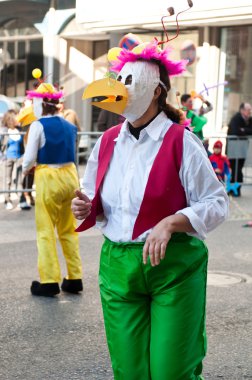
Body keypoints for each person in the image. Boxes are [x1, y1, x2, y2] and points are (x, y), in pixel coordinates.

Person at [71, 40, 229, 379]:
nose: (121, 89)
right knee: (128, 371)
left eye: (130, 81)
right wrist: (85, 206)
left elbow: (216, 203)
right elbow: (92, 194)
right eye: (119, 81)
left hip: (173, 267)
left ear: (157, 91)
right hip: (118, 267)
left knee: (171, 370)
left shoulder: (181, 141)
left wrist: (173, 221)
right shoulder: (108, 139)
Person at [22, 79, 83, 297]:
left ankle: (49, 281)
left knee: (45, 230)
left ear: (40, 104)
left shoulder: (38, 125)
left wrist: (24, 170)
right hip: (70, 176)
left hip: (49, 177)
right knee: (69, 229)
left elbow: (29, 158)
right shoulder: (69, 125)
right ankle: (74, 277)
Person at [1, 110, 29, 210]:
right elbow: (1, 145)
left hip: (19, 158)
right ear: (10, 119)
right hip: (8, 158)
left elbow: (24, 145)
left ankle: (22, 200)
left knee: (20, 180)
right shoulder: (4, 131)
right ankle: (7, 200)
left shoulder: (20, 130)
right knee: (7, 180)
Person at [226, 102, 252, 195]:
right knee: (235, 169)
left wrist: (243, 130)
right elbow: (235, 130)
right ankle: (234, 189)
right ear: (242, 110)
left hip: (242, 148)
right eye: (248, 110)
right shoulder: (236, 118)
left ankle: (235, 189)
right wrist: (244, 130)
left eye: (250, 110)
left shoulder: (249, 119)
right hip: (233, 148)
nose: (250, 112)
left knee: (239, 168)